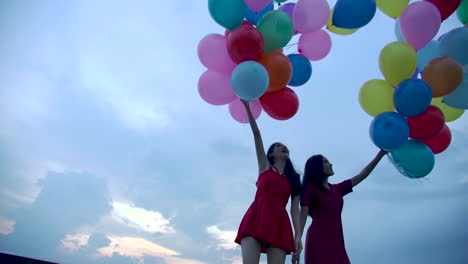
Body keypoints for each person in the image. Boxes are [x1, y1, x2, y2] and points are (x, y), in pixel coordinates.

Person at [234, 99, 302, 264]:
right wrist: (247, 107)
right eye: (278, 146)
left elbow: (295, 209)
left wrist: (298, 236)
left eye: (285, 146)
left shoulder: (294, 179)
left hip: (280, 223)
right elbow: (257, 135)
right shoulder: (264, 166)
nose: (283, 147)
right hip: (256, 217)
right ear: (271, 154)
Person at [295, 149, 388, 264]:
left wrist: (381, 154)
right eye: (325, 162)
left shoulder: (337, 189)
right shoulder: (311, 189)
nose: (330, 164)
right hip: (318, 239)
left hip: (337, 241)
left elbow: (362, 175)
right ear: (317, 167)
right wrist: (298, 239)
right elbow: (303, 214)